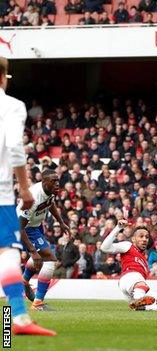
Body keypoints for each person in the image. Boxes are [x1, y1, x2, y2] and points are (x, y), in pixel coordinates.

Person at [0, 57, 55, 336]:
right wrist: (24, 187)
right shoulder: (11, 106)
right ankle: (16, 322)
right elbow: (14, 147)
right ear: (3, 77)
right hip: (2, 195)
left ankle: (18, 320)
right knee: (8, 254)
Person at [101, 220, 157, 311]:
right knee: (139, 281)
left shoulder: (144, 260)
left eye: (147, 237)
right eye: (141, 236)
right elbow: (104, 248)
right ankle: (138, 300)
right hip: (129, 279)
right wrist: (118, 228)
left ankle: (143, 307)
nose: (144, 239)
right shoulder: (128, 246)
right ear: (133, 239)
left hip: (139, 289)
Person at [19, 169, 70, 311]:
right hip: (25, 228)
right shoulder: (32, 198)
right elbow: (20, 227)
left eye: (57, 180)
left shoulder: (49, 192)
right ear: (44, 181)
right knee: (50, 259)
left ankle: (24, 280)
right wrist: (33, 252)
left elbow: (50, 203)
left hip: (36, 225)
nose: (57, 184)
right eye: (53, 181)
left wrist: (60, 221)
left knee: (44, 256)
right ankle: (38, 303)